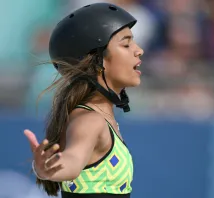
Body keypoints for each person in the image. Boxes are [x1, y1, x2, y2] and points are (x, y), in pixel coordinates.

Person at [23, 3, 144, 198]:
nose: (139, 51)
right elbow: (72, 161)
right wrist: (48, 170)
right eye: (126, 44)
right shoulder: (91, 120)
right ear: (96, 60)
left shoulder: (98, 116)